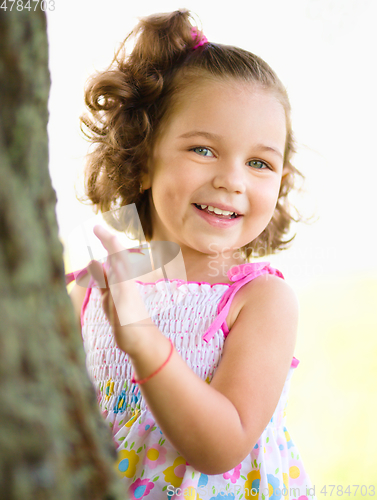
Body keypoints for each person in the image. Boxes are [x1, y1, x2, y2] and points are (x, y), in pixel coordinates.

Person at [66, 9, 316, 500]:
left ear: (280, 182)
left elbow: (220, 447)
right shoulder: (91, 288)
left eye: (260, 162)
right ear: (142, 160)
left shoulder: (261, 301)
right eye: (203, 150)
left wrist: (143, 340)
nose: (232, 180)